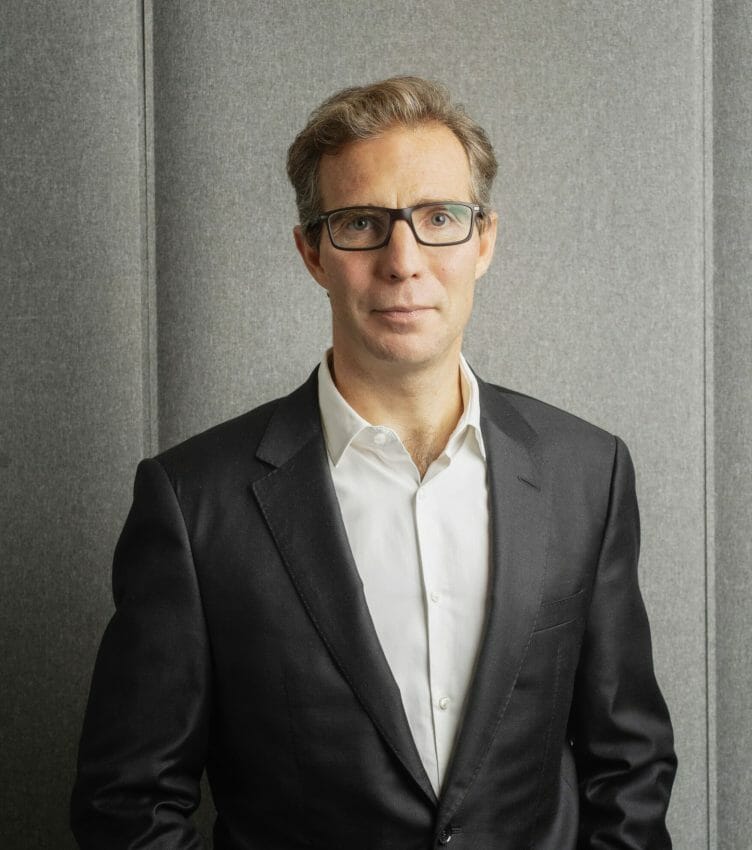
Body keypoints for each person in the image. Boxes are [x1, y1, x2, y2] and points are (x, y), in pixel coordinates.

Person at [71, 76, 676, 849]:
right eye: (361, 223)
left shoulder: (588, 473)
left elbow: (629, 768)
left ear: (484, 240)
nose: (403, 261)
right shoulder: (193, 502)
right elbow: (127, 805)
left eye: (438, 218)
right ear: (312, 252)